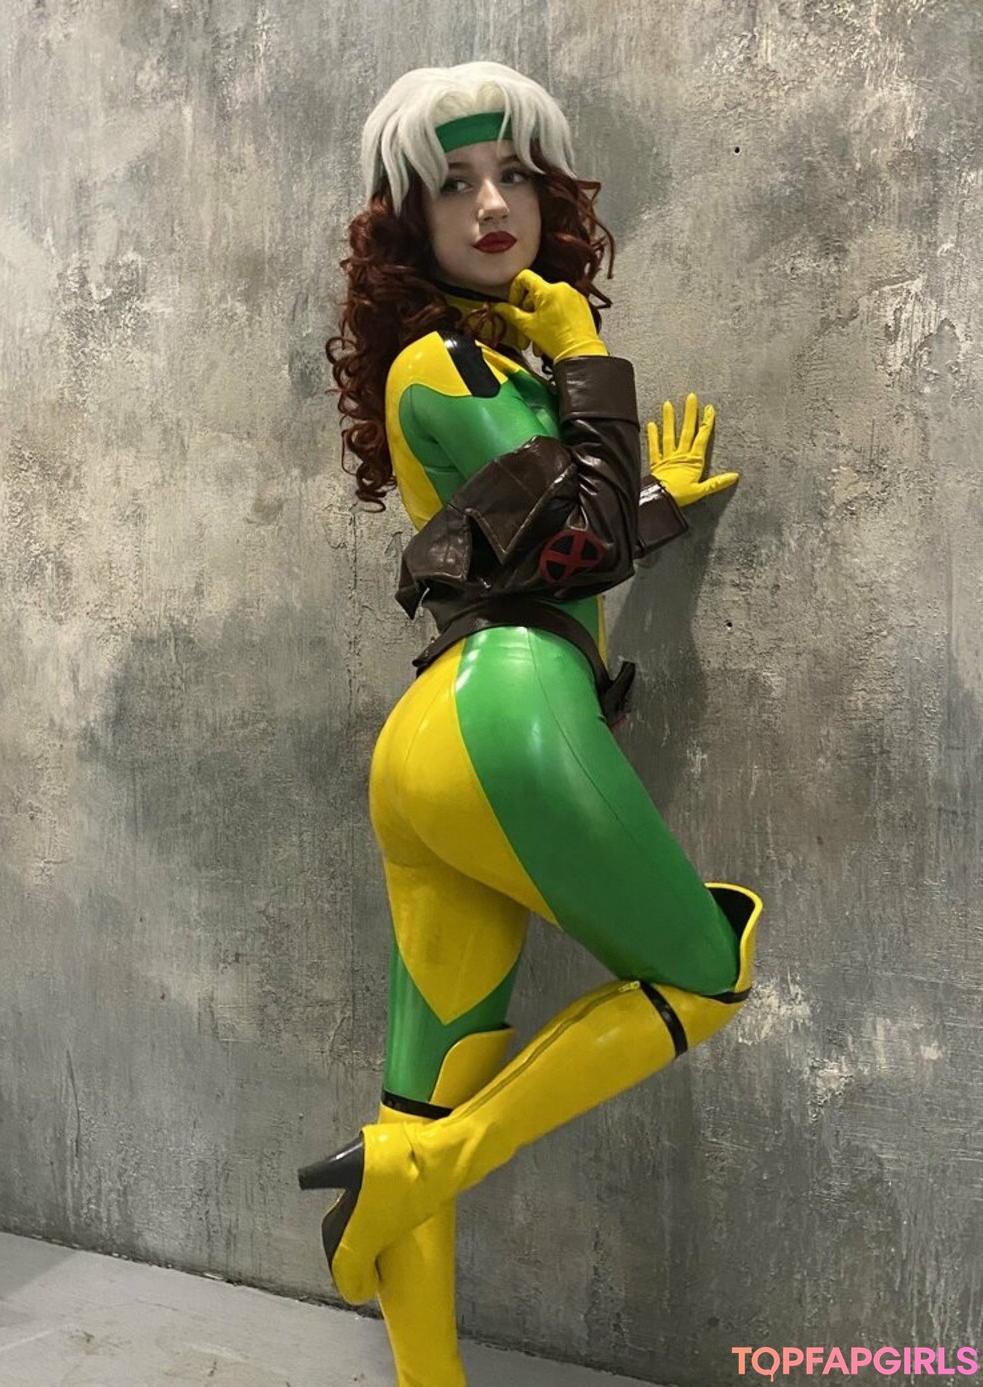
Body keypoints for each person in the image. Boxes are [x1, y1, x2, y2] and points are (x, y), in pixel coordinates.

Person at [299, 60, 763, 1387]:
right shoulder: (441, 362)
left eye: (512, 174)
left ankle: (424, 1331)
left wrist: (646, 499)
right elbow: (581, 535)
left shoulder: (480, 362)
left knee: (424, 1082)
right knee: (705, 973)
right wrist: (588, 362)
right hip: (510, 719)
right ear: (408, 221)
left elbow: (552, 542)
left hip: (439, 739)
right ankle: (422, 1168)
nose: (493, 205)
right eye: (454, 185)